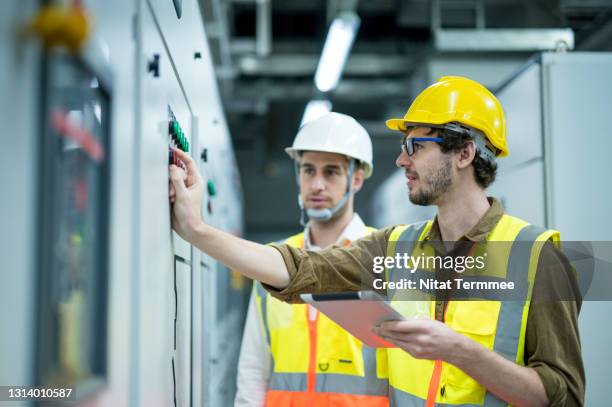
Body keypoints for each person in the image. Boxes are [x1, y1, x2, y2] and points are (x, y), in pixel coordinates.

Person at [169, 76, 584, 406]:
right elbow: (302, 269)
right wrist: (196, 230)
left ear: (464, 154)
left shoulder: (537, 257)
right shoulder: (395, 248)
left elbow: (562, 396)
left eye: (415, 147)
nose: (402, 160)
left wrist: (463, 352)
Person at [234, 112, 389, 407]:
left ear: (356, 179)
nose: (317, 185)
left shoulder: (383, 257)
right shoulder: (274, 259)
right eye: (308, 170)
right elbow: (254, 370)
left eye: (330, 172)